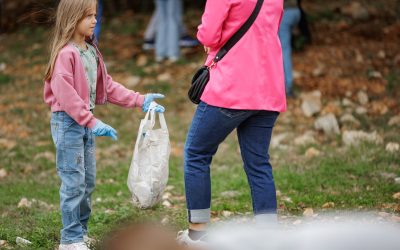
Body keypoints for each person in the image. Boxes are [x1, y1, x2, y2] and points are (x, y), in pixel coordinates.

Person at [43, 0, 165, 249]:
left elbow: (107, 86)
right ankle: (70, 239)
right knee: (73, 183)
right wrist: (91, 121)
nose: (94, 20)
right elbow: (65, 95)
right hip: (68, 123)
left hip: (84, 122)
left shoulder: (90, 50)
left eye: (95, 15)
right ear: (72, 18)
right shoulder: (66, 55)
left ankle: (81, 232)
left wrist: (140, 100)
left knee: (87, 182)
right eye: (88, 16)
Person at [177, 0, 286, 247]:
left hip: (232, 87)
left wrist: (208, 40)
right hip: (268, 87)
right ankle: (268, 237)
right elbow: (270, 28)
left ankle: (198, 233)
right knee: (258, 162)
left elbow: (208, 34)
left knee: (196, 154)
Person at [279, 0, 311, 97]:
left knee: (283, 51)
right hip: (296, 11)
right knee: (286, 49)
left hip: (286, 12)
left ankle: (287, 86)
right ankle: (287, 84)